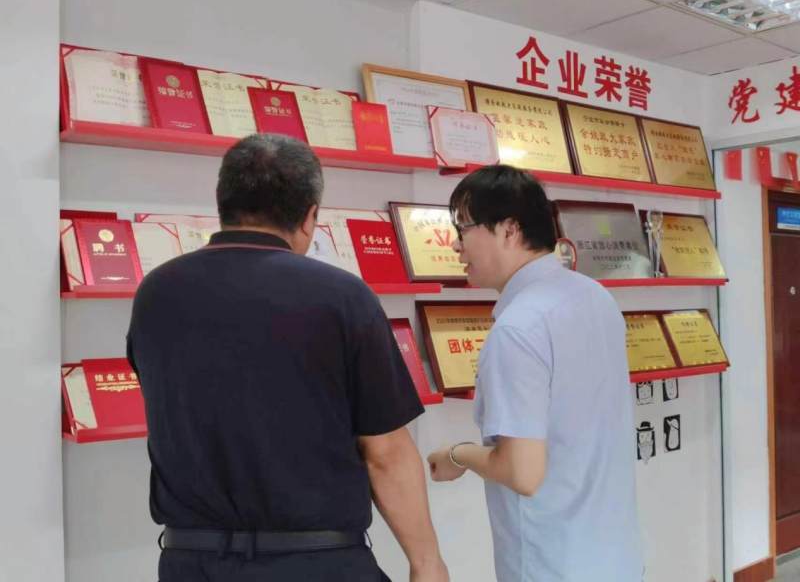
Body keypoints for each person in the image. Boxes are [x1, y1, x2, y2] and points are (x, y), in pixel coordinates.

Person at [127, 134, 448, 582]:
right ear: (310, 216)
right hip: (317, 563)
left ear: (223, 202)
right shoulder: (342, 297)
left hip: (191, 562)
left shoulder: (156, 292)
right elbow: (385, 453)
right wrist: (427, 563)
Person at [426, 165, 642, 582]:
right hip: (615, 554)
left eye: (464, 228)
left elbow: (521, 473)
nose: (456, 245)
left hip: (552, 562)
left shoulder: (518, 329)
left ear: (509, 230)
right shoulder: (595, 296)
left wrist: (458, 455)